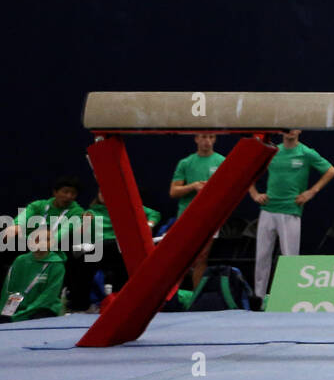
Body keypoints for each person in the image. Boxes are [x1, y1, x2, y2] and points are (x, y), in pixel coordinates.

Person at [248, 129, 334, 302]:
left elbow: (331, 171)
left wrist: (312, 192)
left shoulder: (306, 153)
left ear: (300, 130)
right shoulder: (273, 152)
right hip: (268, 209)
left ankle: (290, 297)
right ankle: (258, 298)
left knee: (290, 258)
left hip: (290, 210)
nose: (290, 132)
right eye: (286, 128)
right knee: (262, 257)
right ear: (281, 131)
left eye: (293, 128)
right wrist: (254, 194)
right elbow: (249, 171)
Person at [65, 191, 162, 312]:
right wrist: (84, 226)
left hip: (120, 249)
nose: (103, 194)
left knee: (123, 258)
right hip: (97, 250)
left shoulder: (125, 208)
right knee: (81, 260)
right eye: (101, 192)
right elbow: (78, 234)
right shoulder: (91, 213)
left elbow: (154, 214)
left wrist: (149, 225)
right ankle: (79, 305)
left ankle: (123, 302)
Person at [169, 132, 225, 289]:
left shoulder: (222, 161)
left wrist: (212, 189)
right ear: (196, 139)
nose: (207, 141)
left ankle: (195, 298)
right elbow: (173, 192)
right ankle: (173, 297)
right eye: (203, 137)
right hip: (187, 215)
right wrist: (193, 186)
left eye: (210, 137)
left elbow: (229, 190)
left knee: (201, 257)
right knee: (182, 258)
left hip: (210, 216)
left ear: (214, 139)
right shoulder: (186, 163)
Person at [0, 227, 64, 323]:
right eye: (38, 239)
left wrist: (21, 315)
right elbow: (9, 289)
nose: (42, 243)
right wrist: (5, 313)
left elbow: (47, 297)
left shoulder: (57, 265)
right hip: (18, 307)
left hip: (43, 308)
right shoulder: (20, 261)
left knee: (36, 321)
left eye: (47, 239)